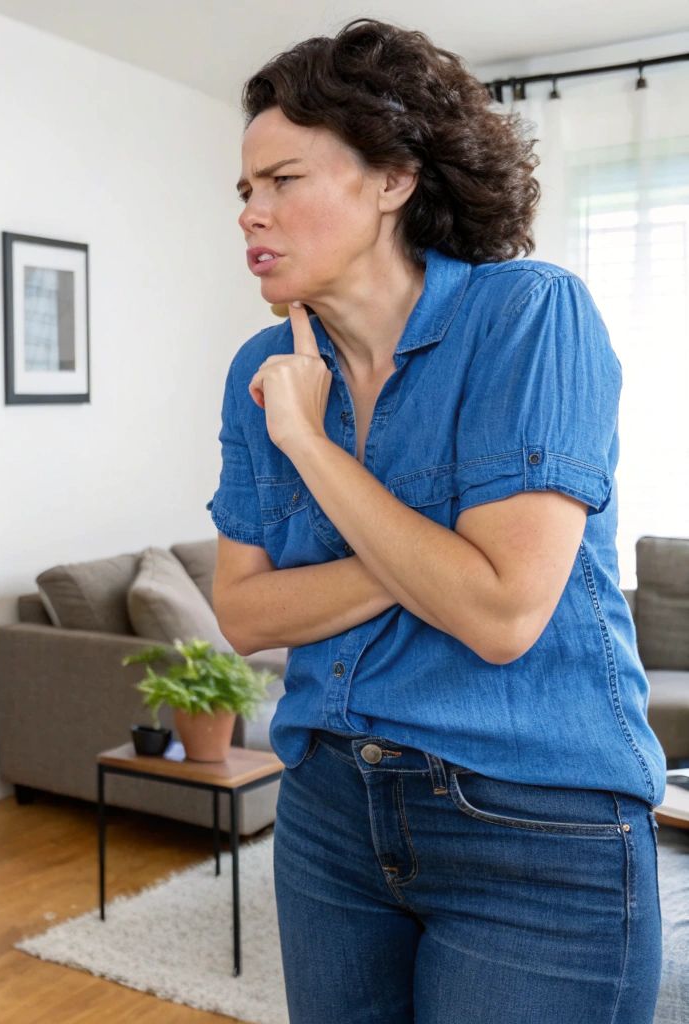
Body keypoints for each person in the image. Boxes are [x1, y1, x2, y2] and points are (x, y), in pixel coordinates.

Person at [208, 17, 668, 1022]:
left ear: (390, 179)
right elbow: (240, 614)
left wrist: (309, 445)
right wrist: (438, 556)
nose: (251, 213)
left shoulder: (529, 316)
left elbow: (501, 615)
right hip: (327, 809)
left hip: (535, 824)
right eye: (243, 191)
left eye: (282, 180)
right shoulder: (258, 370)